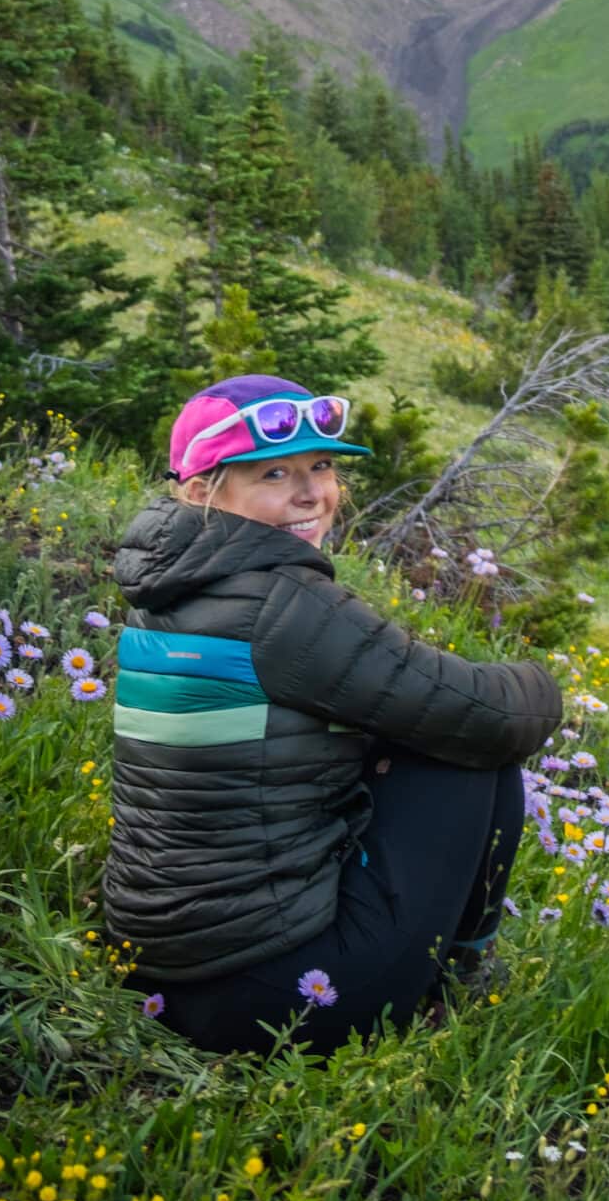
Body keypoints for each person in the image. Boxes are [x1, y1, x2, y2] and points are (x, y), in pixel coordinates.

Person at [102, 371, 562, 1055]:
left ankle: (452, 969)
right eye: (274, 474)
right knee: (465, 755)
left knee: (411, 728)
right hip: (280, 995)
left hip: (155, 969)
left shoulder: (164, 591)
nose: (311, 493)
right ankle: (462, 977)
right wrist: (543, 686)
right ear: (202, 492)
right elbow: (494, 718)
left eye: (321, 466)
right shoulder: (281, 606)